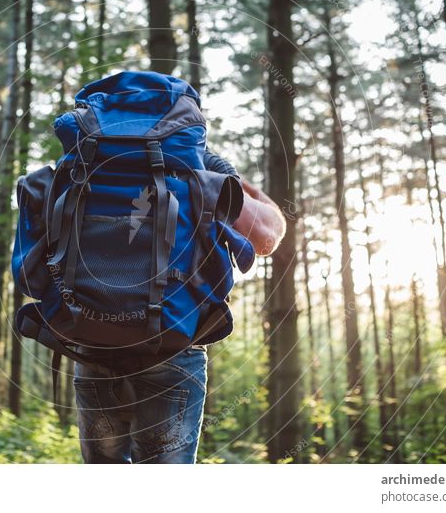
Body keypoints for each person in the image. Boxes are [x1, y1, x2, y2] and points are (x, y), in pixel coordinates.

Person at [73, 149, 287, 463]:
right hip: (171, 343)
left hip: (92, 339)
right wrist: (239, 183)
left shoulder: (92, 156)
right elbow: (266, 236)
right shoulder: (196, 159)